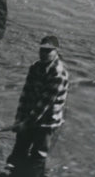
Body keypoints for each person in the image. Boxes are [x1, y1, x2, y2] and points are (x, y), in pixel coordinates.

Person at [8, 35, 69, 163]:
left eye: (48, 51)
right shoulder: (35, 67)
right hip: (30, 116)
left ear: (56, 51)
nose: (44, 54)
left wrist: (25, 123)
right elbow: (25, 94)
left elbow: (44, 104)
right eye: (42, 50)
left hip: (47, 122)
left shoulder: (58, 74)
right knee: (18, 151)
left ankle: (33, 174)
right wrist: (19, 118)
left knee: (38, 157)